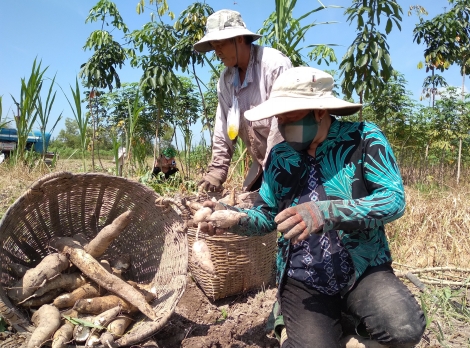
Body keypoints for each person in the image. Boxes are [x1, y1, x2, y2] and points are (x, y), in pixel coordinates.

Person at [199, 67, 426, 347]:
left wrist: (325, 212)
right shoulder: (280, 156)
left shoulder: (364, 139)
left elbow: (393, 200)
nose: (281, 125)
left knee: (402, 328)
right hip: (304, 278)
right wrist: (234, 219)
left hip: (363, 269)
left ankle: (346, 322)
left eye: (290, 117)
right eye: (278, 118)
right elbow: (268, 216)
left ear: (319, 111)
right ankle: (299, 319)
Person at [193, 9, 292, 192]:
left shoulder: (273, 65)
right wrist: (217, 170)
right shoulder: (226, 79)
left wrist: (272, 173)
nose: (217, 52)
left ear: (239, 39)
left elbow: (282, 126)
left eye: (220, 44)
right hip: (262, 164)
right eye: (214, 46)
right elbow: (223, 126)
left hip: (290, 163)